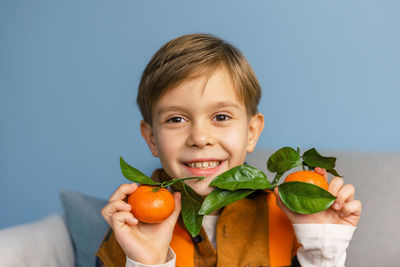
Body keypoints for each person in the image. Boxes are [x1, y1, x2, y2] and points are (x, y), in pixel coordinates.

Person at [96, 33, 362, 267]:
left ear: (251, 133)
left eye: (221, 117)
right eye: (176, 119)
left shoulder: (289, 218)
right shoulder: (130, 227)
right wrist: (147, 262)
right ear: (152, 138)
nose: (200, 138)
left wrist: (323, 247)